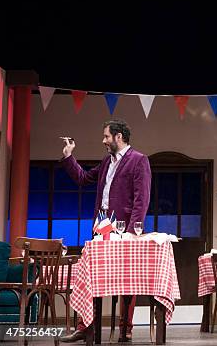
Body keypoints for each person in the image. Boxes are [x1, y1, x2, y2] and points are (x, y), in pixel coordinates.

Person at [59, 119, 151, 343]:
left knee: (127, 279)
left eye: (106, 137)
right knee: (91, 275)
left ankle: (125, 329)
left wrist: (132, 230)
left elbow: (142, 198)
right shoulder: (106, 162)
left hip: (125, 229)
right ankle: (86, 326)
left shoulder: (138, 160)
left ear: (119, 137)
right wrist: (69, 156)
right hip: (102, 226)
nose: (104, 141)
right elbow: (83, 178)